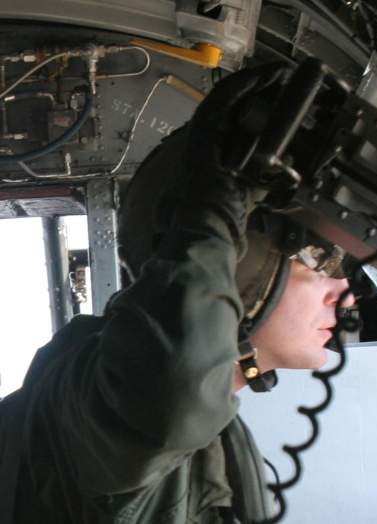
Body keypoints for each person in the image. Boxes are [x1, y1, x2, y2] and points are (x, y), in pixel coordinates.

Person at [0, 63, 355, 523]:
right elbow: (173, 384)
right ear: (236, 260)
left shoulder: (209, 430)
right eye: (320, 262)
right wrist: (214, 205)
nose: (343, 294)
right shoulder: (104, 403)